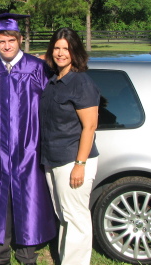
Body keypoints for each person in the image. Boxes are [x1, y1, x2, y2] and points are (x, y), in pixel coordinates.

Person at [0, 13, 57, 265]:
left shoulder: (36, 68)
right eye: (1, 41)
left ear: (20, 39)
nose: (6, 46)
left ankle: (27, 254)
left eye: (11, 40)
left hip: (28, 146)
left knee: (28, 197)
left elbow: (49, 107)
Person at [39, 27, 100, 265]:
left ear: (76, 51)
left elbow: (90, 126)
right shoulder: (56, 80)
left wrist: (80, 164)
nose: (61, 53)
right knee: (65, 215)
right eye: (57, 48)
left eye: (66, 48)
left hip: (71, 160)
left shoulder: (80, 82)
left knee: (76, 217)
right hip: (53, 159)